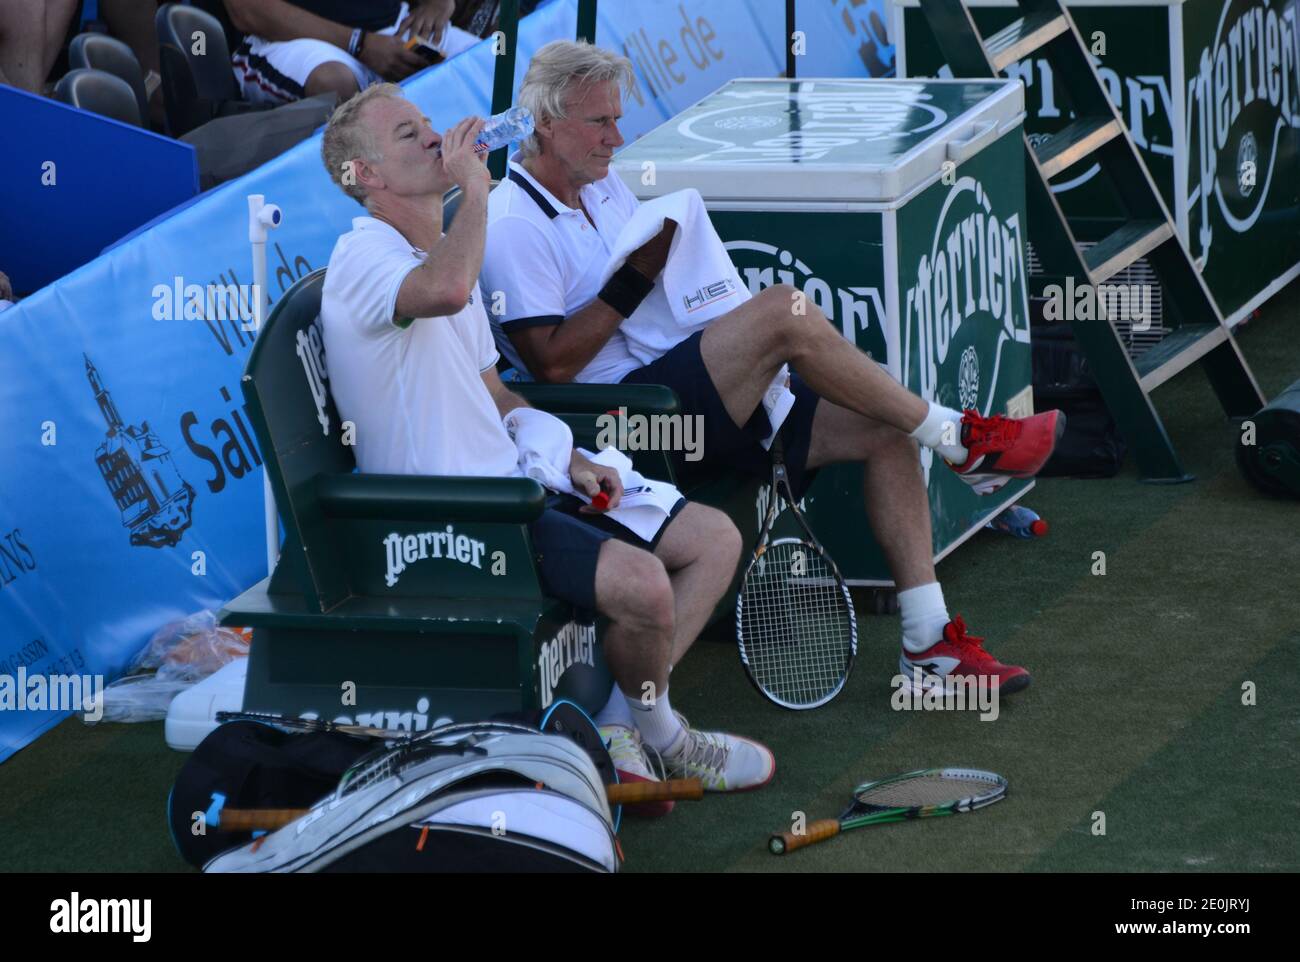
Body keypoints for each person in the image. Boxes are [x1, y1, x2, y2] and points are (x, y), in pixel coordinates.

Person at [481, 41, 1066, 697]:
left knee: (883, 428)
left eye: (619, 119)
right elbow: (552, 366)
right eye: (600, 123)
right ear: (547, 123)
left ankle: (929, 649)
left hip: (681, 392)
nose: (618, 138)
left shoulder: (601, 184)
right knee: (784, 312)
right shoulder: (512, 224)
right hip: (628, 428)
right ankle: (959, 438)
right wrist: (641, 276)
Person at [316, 83, 775, 806]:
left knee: (714, 540)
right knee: (645, 586)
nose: (437, 138)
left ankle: (624, 728)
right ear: (364, 178)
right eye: (409, 135)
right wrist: (475, 191)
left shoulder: (437, 249)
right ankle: (664, 736)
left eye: (429, 123)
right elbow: (441, 289)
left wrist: (568, 456)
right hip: (454, 516)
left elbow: (495, 391)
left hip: (515, 484)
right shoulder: (364, 258)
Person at [222, 0, 474, 106]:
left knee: (493, 66)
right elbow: (247, 10)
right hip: (285, 39)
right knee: (335, 83)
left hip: (397, 22)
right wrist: (359, 44)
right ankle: (362, 206)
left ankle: (478, 171)